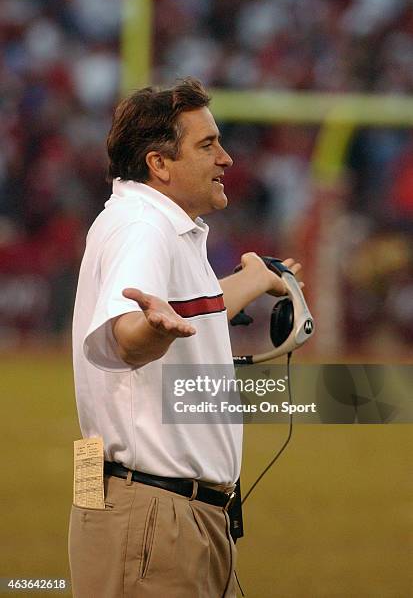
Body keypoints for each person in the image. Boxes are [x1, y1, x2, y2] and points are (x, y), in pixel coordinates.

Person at [69, 77, 302, 598]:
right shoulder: (144, 228)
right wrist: (152, 332)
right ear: (159, 163)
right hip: (151, 512)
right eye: (207, 144)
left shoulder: (154, 221)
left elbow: (186, 306)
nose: (227, 158)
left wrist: (256, 279)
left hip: (150, 506)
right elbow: (127, 336)